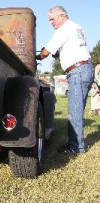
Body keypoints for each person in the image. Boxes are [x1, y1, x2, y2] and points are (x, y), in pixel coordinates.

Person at [36, 6, 94, 153]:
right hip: (85, 69)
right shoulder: (77, 27)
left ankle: (75, 147)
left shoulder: (63, 29)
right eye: (49, 20)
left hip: (77, 71)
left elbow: (46, 52)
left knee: (74, 111)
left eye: (52, 19)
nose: (51, 22)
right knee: (77, 110)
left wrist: (37, 56)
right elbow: (70, 48)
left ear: (61, 15)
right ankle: (76, 144)